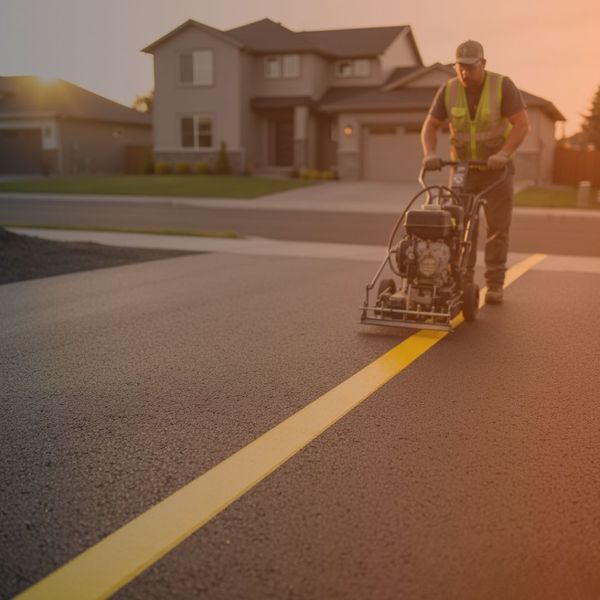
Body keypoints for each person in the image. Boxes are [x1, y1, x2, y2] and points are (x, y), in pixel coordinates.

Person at [420, 40, 530, 304]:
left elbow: (522, 124)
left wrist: (503, 154)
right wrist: (430, 154)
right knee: (457, 227)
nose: (465, 73)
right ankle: (462, 281)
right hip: (462, 171)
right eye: (460, 67)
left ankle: (494, 284)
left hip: (496, 171)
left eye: (470, 67)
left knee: (497, 229)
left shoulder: (502, 85)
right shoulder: (448, 90)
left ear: (483, 64)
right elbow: (430, 126)